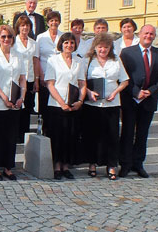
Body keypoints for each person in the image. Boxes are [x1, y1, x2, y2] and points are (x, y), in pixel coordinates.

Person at [119, 25, 158, 178]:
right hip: (131, 99)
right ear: (139, 34)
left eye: (151, 34)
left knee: (142, 134)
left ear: (154, 36)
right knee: (127, 133)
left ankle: (138, 164)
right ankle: (125, 164)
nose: (148, 36)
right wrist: (136, 91)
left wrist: (151, 91)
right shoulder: (127, 53)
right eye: (146, 33)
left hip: (149, 100)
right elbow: (123, 75)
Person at [83, 33, 129, 180]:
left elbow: (125, 81)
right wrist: (89, 92)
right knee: (92, 135)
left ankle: (111, 165)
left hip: (111, 103)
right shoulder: (88, 61)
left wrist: (115, 92)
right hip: (92, 104)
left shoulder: (116, 60)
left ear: (110, 48)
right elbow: (81, 81)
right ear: (95, 47)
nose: (103, 50)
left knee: (112, 136)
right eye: (100, 47)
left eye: (106, 47)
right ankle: (92, 164)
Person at [0, 25, 27, 181]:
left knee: (11, 137)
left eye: (9, 36)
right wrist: (4, 98)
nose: (6, 39)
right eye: (3, 37)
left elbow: (22, 79)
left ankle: (8, 167)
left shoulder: (18, 56)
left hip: (15, 102)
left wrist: (21, 97)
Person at [44, 32, 86, 180]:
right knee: (57, 136)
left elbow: (82, 83)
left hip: (73, 104)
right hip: (56, 104)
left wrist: (80, 101)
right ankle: (56, 167)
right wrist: (61, 103)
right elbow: (49, 83)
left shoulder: (79, 62)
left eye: (72, 43)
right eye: (66, 42)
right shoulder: (53, 60)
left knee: (70, 136)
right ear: (61, 44)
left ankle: (66, 166)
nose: (69, 45)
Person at [35, 10, 63, 133]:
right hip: (45, 75)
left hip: (59, 77)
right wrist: (40, 76)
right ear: (47, 23)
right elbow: (37, 58)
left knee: (57, 103)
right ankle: (44, 129)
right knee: (44, 105)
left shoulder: (63, 36)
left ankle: (55, 129)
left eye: (56, 20)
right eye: (51, 20)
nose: (54, 23)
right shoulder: (41, 38)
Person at [13, 15, 40, 143]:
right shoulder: (13, 41)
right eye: (23, 25)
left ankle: (24, 133)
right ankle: (16, 134)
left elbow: (35, 62)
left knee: (28, 106)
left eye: (27, 25)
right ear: (18, 27)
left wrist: (36, 80)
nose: (25, 28)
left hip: (29, 78)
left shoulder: (34, 43)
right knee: (17, 105)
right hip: (17, 79)